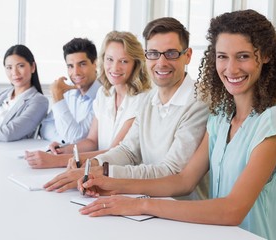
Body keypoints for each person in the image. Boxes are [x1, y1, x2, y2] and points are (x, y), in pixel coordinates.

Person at [78, 10, 276, 240]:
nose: (231, 68)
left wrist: (142, 205)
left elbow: (232, 210)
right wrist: (111, 185)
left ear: (264, 56)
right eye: (222, 56)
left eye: (243, 56)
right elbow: (184, 180)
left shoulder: (273, 123)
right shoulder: (221, 118)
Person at [74, 17, 210, 199]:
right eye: (153, 53)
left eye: (171, 53)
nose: (161, 62)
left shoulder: (199, 102)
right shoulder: (149, 100)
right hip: (147, 207)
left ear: (188, 55)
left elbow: (171, 171)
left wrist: (107, 174)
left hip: (181, 214)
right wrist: (93, 165)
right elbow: (128, 151)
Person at [25, 31, 152, 173]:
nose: (115, 68)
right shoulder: (104, 94)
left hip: (123, 176)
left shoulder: (142, 100)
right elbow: (92, 141)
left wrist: (56, 160)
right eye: (110, 59)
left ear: (136, 64)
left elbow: (115, 153)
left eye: (124, 61)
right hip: (98, 172)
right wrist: (64, 150)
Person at [39, 38, 101, 143]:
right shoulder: (68, 91)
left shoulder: (103, 96)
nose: (76, 72)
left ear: (95, 63)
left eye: (82, 64)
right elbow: (45, 127)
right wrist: (63, 141)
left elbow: (77, 140)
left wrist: (58, 98)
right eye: (70, 66)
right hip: (64, 153)